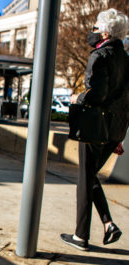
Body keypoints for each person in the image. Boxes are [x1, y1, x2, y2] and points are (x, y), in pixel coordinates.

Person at [61, 8, 129, 251]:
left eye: (97, 27)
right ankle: (108, 223)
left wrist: (79, 99)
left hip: (96, 127)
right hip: (115, 130)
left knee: (85, 179)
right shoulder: (126, 58)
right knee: (90, 177)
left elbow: (96, 94)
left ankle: (81, 236)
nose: (94, 31)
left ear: (106, 31)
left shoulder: (100, 56)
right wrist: (119, 136)